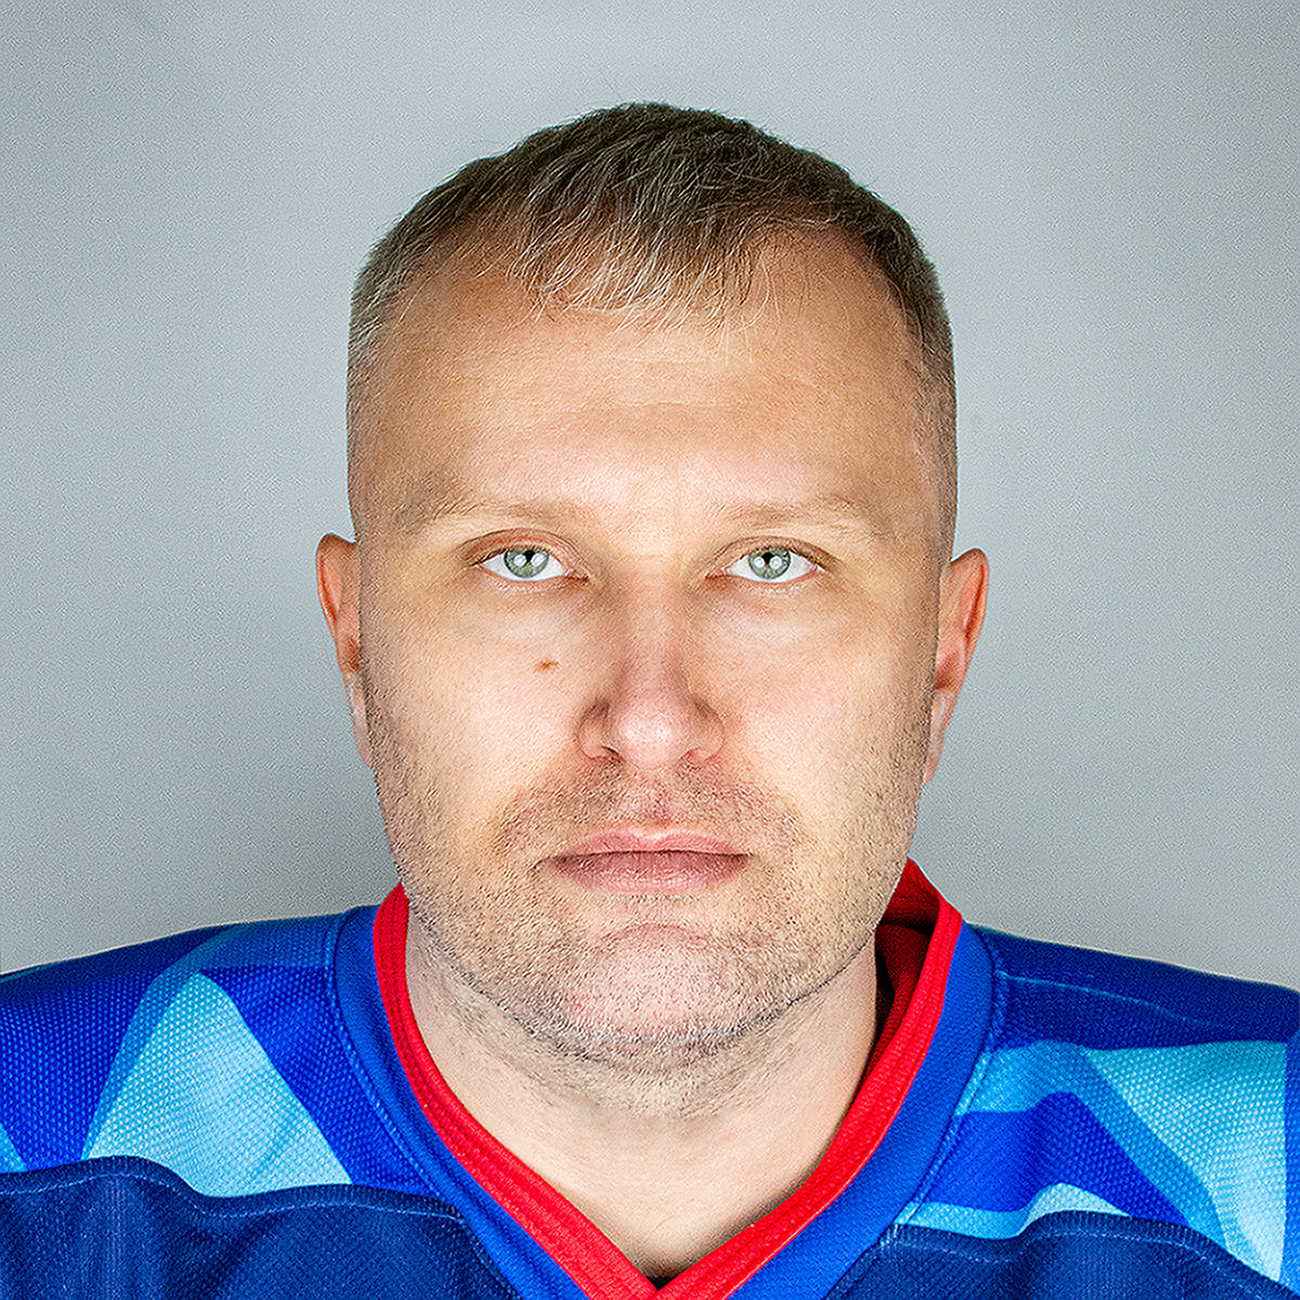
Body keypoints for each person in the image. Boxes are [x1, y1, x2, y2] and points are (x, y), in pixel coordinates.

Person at [0, 104, 1295, 1300]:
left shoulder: (1268, 1180)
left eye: (773, 562)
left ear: (944, 654)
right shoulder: (35, 1141)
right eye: (524, 560)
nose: (652, 718)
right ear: (357, 641)